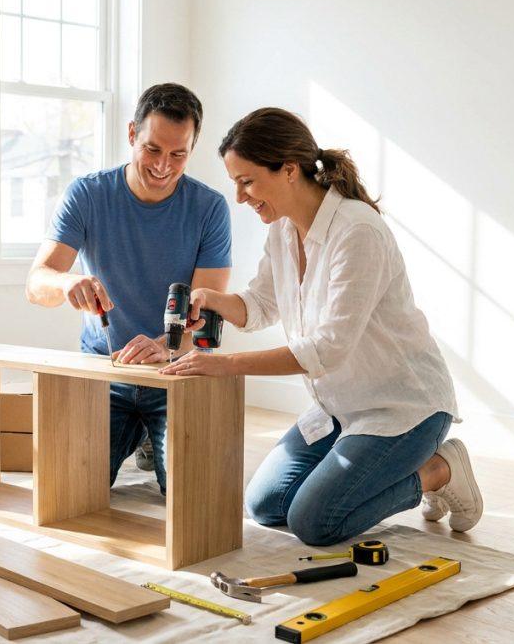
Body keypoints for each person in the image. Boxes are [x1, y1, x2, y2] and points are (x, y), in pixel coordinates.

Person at [159, 107, 481, 545]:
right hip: (337, 407)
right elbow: (263, 304)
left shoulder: (358, 231)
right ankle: (380, 464)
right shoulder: (282, 229)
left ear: (289, 170)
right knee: (266, 506)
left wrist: (225, 364)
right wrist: (215, 300)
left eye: (247, 181)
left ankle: (439, 470)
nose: (240, 197)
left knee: (314, 522)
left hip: (402, 409)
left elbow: (328, 349)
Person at [25, 83, 232, 494]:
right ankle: (139, 432)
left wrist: (165, 347)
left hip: (174, 371)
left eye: (179, 154)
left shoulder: (210, 208)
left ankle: (152, 433)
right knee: (72, 489)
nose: (163, 166)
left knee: (190, 495)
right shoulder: (88, 194)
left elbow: (208, 311)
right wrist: (68, 282)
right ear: (132, 134)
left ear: (193, 148)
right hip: (106, 370)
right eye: (153, 149)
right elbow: (36, 283)